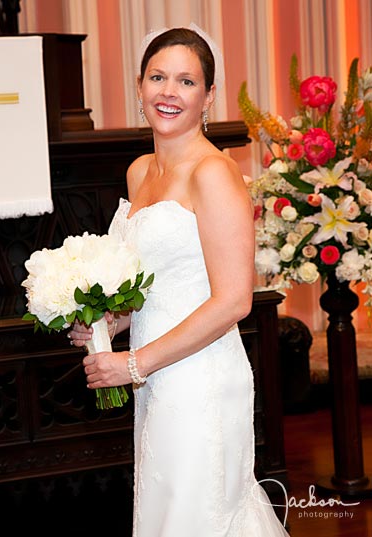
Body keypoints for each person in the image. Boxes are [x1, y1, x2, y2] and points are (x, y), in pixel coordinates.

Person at [68, 27, 289, 536]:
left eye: (186, 81)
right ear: (139, 87)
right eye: (158, 77)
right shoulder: (139, 171)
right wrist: (110, 323)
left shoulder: (213, 172)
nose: (168, 92)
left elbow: (233, 300)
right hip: (157, 379)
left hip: (201, 378)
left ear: (208, 96)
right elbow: (155, 285)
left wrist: (132, 364)